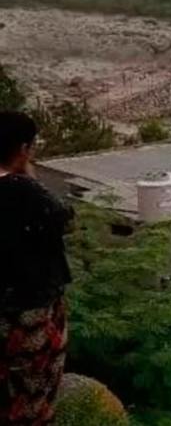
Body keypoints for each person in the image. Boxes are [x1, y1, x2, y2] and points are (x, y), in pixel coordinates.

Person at [0, 111, 75, 426]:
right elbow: (62, 218)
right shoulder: (24, 193)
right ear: (23, 148)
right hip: (27, 317)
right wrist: (26, 174)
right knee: (31, 404)